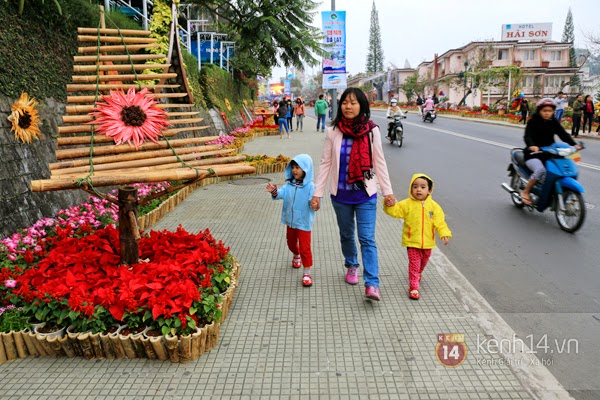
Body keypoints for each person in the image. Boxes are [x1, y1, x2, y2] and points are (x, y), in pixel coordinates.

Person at [310, 87, 395, 301]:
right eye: (345, 102)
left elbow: (379, 162)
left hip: (366, 194)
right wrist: (317, 194)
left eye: (353, 102)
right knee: (347, 235)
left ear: (361, 106)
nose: (349, 106)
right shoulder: (333, 131)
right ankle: (351, 264)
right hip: (341, 196)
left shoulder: (371, 130)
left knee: (367, 238)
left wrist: (388, 192)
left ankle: (372, 283)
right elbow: (326, 162)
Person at [383, 174, 452, 300]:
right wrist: (389, 205)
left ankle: (419, 273)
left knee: (423, 261)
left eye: (422, 187)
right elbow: (395, 211)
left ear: (429, 190)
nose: (418, 189)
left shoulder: (434, 207)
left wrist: (444, 233)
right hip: (412, 242)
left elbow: (440, 222)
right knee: (414, 264)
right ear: (411, 189)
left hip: (428, 243)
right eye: (415, 187)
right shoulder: (406, 204)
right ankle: (414, 287)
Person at [266, 154, 315, 287]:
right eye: (293, 167)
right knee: (291, 243)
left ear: (306, 169)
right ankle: (296, 254)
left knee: (306, 248)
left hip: (304, 223)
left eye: (298, 167)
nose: (294, 170)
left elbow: (315, 202)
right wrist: (274, 191)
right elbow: (281, 193)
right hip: (291, 221)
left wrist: (314, 204)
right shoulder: (289, 185)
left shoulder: (311, 187)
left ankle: (307, 272)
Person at [520, 98, 581, 205]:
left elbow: (563, 134)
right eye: (544, 111)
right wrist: (532, 146)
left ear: (553, 111)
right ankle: (526, 192)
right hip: (533, 154)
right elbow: (527, 136)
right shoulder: (533, 121)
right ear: (539, 111)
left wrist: (574, 144)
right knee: (540, 170)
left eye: (549, 111)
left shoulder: (553, 122)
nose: (547, 113)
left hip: (549, 153)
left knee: (559, 170)